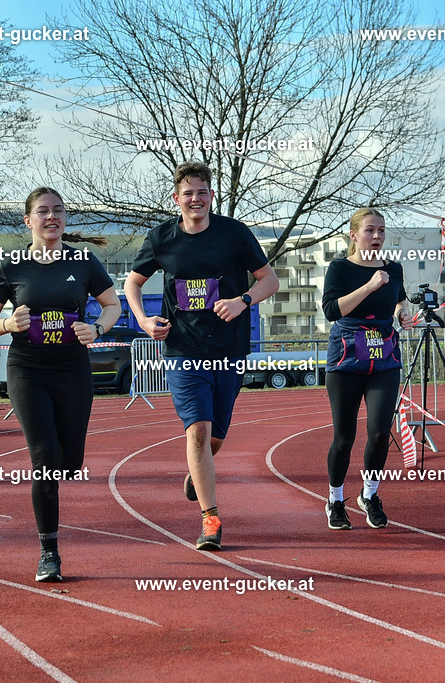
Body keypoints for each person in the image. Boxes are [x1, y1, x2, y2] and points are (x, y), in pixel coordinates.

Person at [124, 161, 278, 551]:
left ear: (212, 195)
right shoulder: (161, 238)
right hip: (183, 349)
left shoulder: (234, 234)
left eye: (202, 192)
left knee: (216, 438)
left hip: (228, 349)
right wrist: (143, 320)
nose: (196, 199)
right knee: (197, 431)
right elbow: (132, 283)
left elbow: (270, 280)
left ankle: (198, 472)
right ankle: (211, 520)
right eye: (188, 193)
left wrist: (243, 301)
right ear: (177, 198)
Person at [0, 187, 121, 582]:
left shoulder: (82, 261)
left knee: (69, 464)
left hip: (72, 369)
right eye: (43, 211)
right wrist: (7, 323)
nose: (51, 216)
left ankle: (61, 478)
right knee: (43, 459)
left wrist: (97, 328)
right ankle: (49, 553)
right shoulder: (11, 265)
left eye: (58, 210)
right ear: (28, 220)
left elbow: (112, 305)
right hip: (28, 369)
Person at [321, 208, 412, 530]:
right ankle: (335, 500)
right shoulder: (340, 268)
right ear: (354, 235)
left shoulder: (393, 269)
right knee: (344, 437)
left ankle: (370, 494)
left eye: (381, 230)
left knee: (379, 433)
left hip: (383, 357)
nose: (376, 236)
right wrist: (369, 287)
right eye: (370, 230)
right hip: (346, 358)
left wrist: (402, 314)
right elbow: (331, 310)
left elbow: (399, 299)